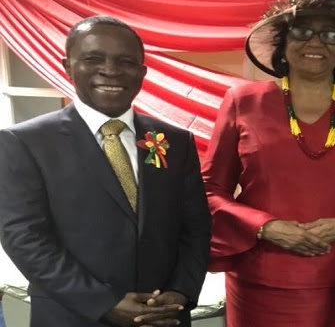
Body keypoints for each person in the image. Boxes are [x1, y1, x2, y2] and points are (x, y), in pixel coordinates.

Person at [202, 0, 335, 327]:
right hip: (257, 274)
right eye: (301, 31)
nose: (315, 42)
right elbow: (211, 190)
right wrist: (265, 227)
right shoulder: (243, 101)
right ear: (283, 43)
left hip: (333, 274)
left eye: (330, 34)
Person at [0, 16, 211, 327]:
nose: (111, 70)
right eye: (93, 59)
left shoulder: (176, 141)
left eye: (126, 61)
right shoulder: (25, 142)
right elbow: (24, 238)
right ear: (67, 66)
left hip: (162, 316)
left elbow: (196, 227)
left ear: (142, 71)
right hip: (72, 316)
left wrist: (181, 291)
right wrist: (103, 303)